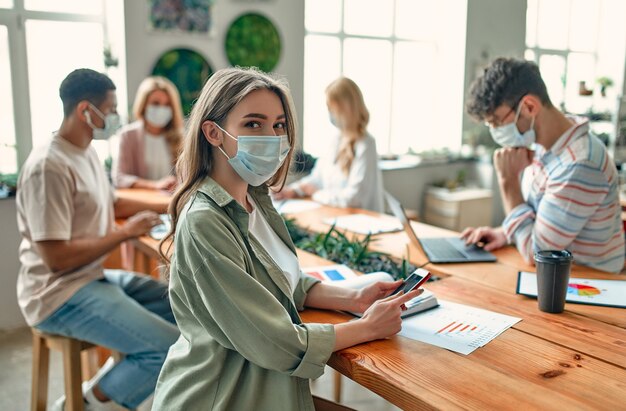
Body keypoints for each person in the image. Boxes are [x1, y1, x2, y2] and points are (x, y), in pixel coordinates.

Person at [152, 67, 421, 410]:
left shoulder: (255, 202)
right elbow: (275, 341)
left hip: (265, 388)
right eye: (253, 124)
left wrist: (354, 298)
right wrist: (367, 328)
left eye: (278, 125)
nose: (271, 135)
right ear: (213, 133)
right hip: (224, 397)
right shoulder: (205, 222)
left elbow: (279, 283)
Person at [16, 68, 179, 410]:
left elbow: (113, 200)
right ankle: (85, 404)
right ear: (85, 111)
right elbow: (56, 260)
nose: (116, 116)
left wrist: (175, 203)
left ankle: (113, 378)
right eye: (112, 108)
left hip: (90, 277)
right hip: (56, 293)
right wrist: (124, 233)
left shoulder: (85, 150)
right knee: (167, 347)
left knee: (180, 303)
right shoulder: (49, 166)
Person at [461, 57, 625, 273]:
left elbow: (536, 253)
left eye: (497, 122)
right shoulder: (545, 144)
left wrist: (507, 181)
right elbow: (543, 218)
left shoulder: (580, 164)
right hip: (558, 275)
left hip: (591, 284)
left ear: (529, 107)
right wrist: (505, 233)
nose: (495, 131)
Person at [273, 77, 385, 212]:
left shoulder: (366, 144)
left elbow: (355, 198)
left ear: (346, 109)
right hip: (335, 214)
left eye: (331, 109)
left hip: (361, 221)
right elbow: (317, 178)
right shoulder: (336, 140)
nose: (330, 114)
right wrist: (293, 190)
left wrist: (316, 194)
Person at [112, 76, 184, 191]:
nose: (161, 108)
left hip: (171, 203)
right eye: (155, 103)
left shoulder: (180, 138)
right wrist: (155, 185)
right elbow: (119, 178)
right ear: (144, 105)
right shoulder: (128, 136)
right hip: (141, 204)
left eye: (167, 105)